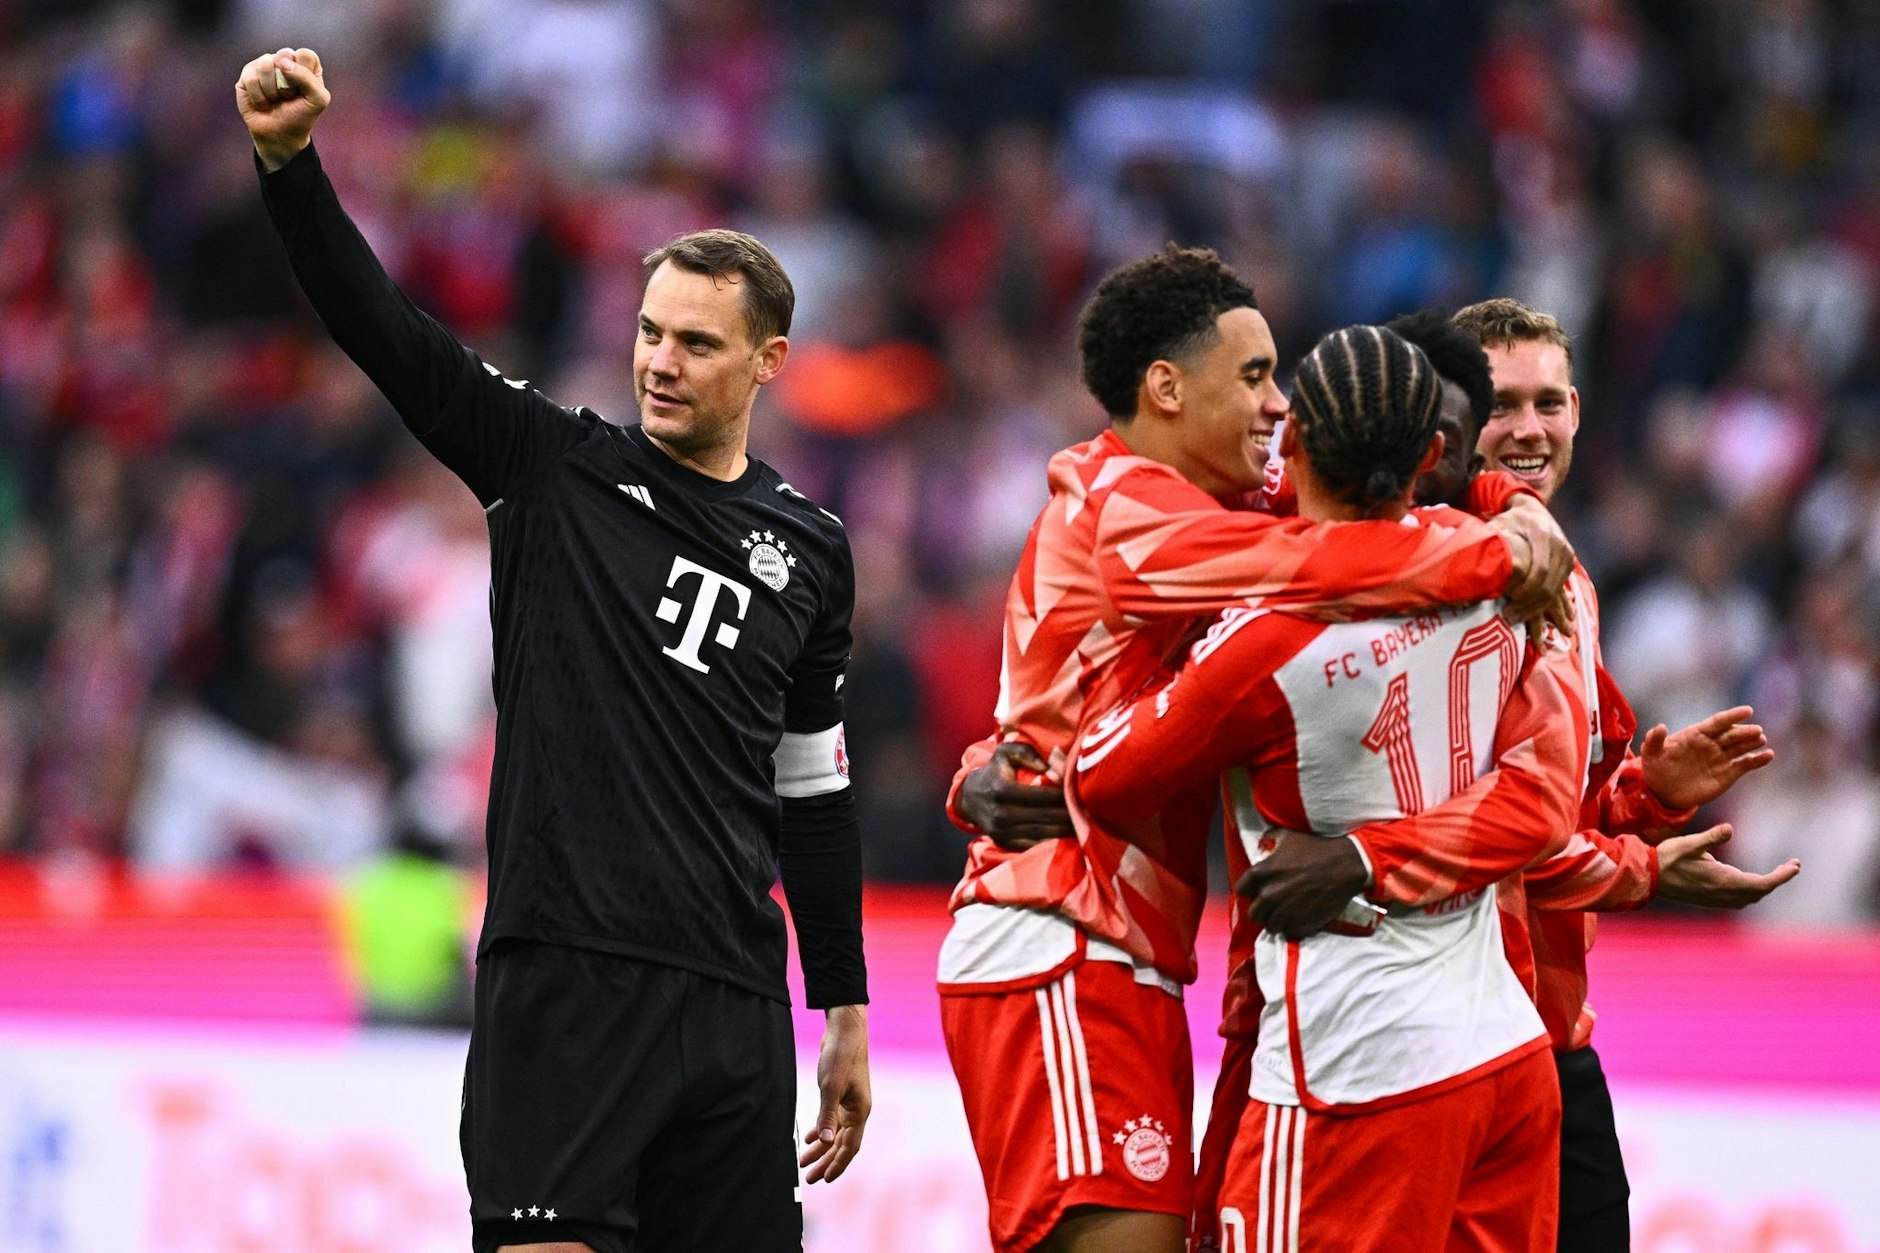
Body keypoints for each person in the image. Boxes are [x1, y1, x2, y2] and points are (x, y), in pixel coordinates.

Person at [236, 48, 869, 1253]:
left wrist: (839, 1002)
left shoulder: (811, 549)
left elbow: (814, 791)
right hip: (564, 975)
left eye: (694, 342)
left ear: (767, 363)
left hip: (733, 1000)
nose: (659, 361)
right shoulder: (554, 467)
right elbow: (388, 334)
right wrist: (289, 169)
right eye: (648, 333)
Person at [936, 246, 1572, 1253]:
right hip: (1055, 926)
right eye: (1253, 376)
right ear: (1165, 387)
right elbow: (1310, 553)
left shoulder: (1222, 506)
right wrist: (1500, 544)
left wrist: (1506, 507)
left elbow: (1363, 503)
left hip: (1134, 944)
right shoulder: (1122, 502)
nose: (1275, 406)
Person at [1452, 297, 1799, 1251]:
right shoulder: (1425, 577)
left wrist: (1652, 795)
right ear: (1448, 417)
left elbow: (1564, 809)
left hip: (1558, 1041)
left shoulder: (1569, 580)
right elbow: (1478, 834)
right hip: (1446, 1055)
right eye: (1501, 402)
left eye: (1549, 402)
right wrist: (1647, 869)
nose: (1529, 428)